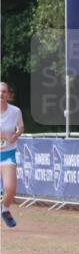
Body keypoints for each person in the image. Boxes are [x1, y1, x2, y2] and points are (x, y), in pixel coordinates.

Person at [0, 82, 25, 228]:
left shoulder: (15, 112)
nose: (1, 94)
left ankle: (5, 209)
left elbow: (21, 127)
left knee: (10, 188)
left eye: (4, 92)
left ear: (8, 95)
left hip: (8, 152)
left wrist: (16, 135)